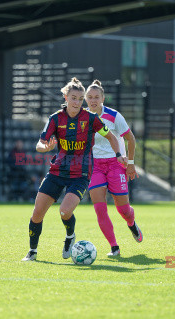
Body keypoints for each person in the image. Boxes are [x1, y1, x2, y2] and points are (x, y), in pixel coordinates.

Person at [22, 77, 126, 261]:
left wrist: (119, 155)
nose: (77, 102)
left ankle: (70, 236)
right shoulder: (55, 118)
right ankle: (32, 252)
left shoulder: (91, 119)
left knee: (64, 211)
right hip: (57, 171)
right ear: (66, 97)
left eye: (80, 98)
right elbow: (40, 143)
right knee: (37, 213)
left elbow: (111, 137)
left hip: (81, 174)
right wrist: (43, 147)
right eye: (73, 98)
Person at [85, 80, 142, 257]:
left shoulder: (114, 116)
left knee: (123, 210)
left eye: (97, 97)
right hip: (95, 167)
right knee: (100, 208)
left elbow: (131, 139)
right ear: (85, 99)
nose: (93, 100)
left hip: (116, 164)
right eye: (90, 97)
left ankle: (131, 223)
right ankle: (114, 247)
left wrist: (130, 163)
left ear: (103, 98)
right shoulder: (82, 118)